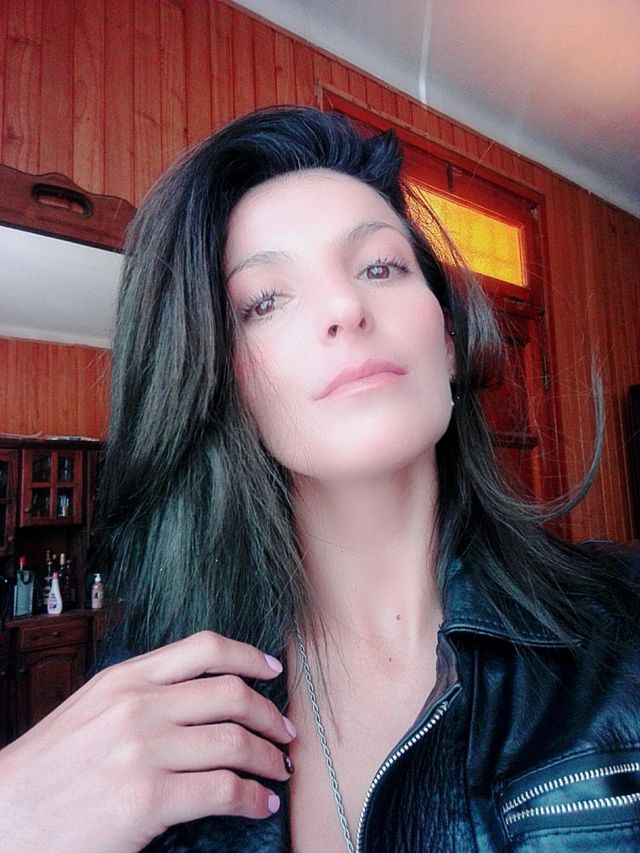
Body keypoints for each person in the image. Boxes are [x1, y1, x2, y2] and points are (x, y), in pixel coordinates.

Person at [0, 107, 638, 853]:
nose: (345, 307)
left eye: (380, 267)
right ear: (222, 385)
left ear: (448, 342)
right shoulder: (149, 694)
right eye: (264, 301)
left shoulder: (625, 620)